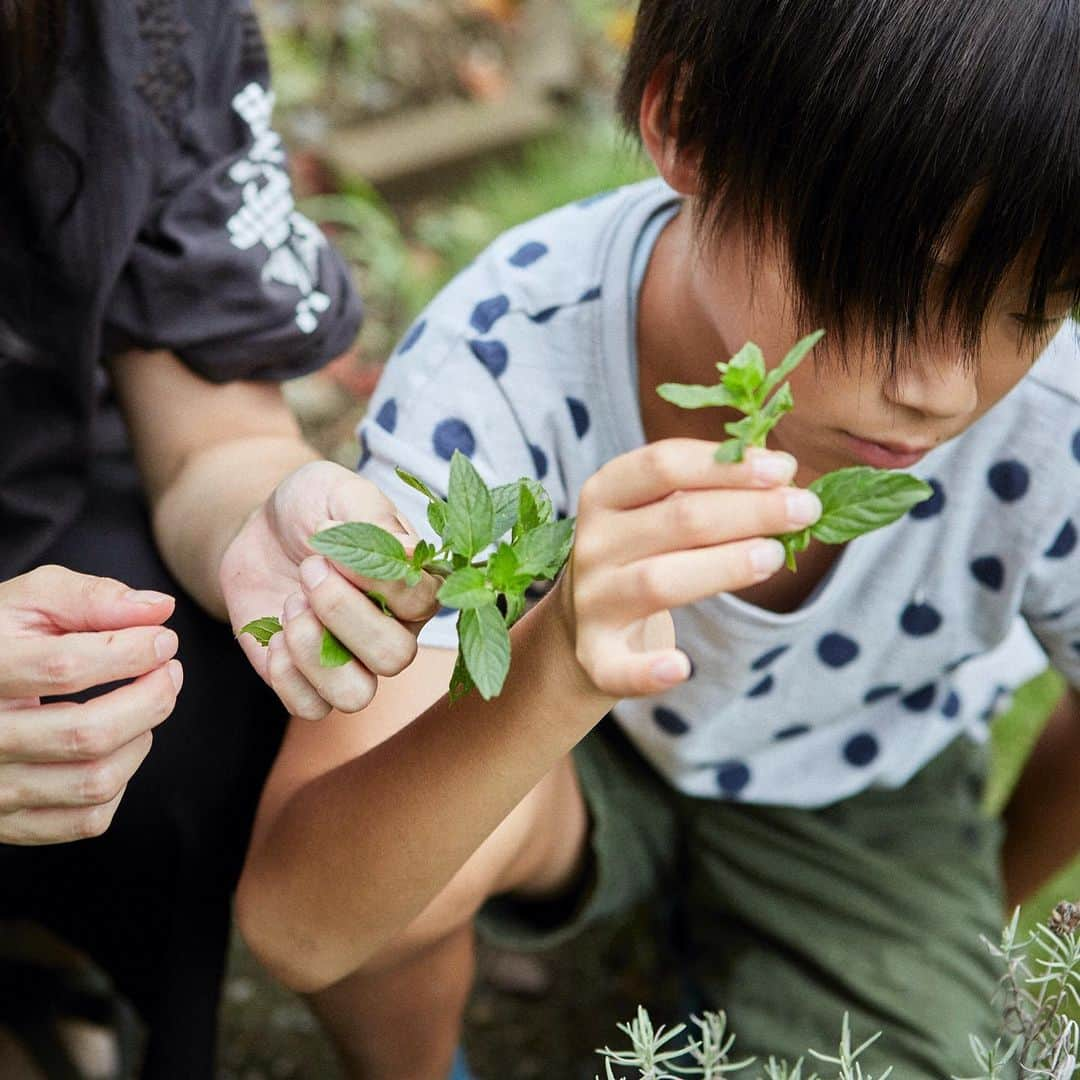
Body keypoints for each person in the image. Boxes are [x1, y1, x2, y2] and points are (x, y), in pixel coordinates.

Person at [234, 1, 1080, 1077]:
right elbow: (299, 923)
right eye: (883, 276)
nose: (942, 389)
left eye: (1030, 306)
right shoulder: (506, 369)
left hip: (863, 777)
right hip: (576, 758)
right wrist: (555, 665)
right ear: (686, 122)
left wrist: (963, 916)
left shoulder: (1052, 423)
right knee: (411, 865)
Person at [0, 2, 437, 1075]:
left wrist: (269, 510)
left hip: (34, 466)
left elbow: (206, 435)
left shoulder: (127, 28)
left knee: (195, 694)